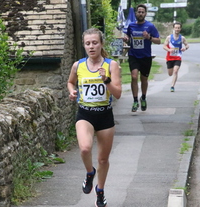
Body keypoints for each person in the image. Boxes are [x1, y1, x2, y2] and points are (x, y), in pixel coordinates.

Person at [67, 28, 122, 207]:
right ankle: (90, 173)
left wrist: (106, 80)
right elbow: (70, 82)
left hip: (105, 116)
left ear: (101, 44)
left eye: (95, 43)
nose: (91, 46)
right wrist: (72, 92)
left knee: (103, 160)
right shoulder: (78, 65)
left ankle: (100, 191)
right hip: (85, 114)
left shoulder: (111, 65)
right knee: (84, 148)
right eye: (88, 43)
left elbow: (118, 93)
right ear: (84, 45)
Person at [123, 4, 161, 112]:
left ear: (145, 14)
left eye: (142, 12)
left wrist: (149, 37)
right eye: (138, 12)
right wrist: (126, 39)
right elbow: (128, 38)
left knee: (144, 79)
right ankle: (135, 100)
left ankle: (143, 97)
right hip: (133, 55)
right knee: (134, 77)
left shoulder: (150, 26)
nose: (140, 13)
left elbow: (158, 41)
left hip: (145, 56)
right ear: (136, 13)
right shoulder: (131, 26)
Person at [163, 22, 189, 92]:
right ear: (173, 28)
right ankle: (172, 83)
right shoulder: (169, 37)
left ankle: (172, 86)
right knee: (170, 73)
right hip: (170, 58)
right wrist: (169, 50)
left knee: (175, 71)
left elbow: (187, 45)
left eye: (178, 28)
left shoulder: (182, 38)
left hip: (178, 57)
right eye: (176, 28)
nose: (177, 29)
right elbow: (164, 46)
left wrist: (185, 48)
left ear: (180, 29)